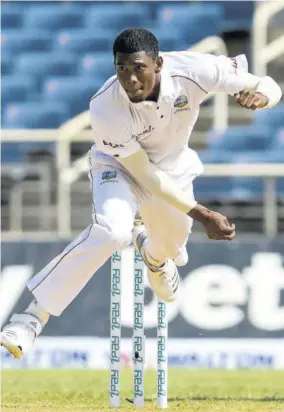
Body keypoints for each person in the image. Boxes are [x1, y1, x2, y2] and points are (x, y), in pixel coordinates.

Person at [1, 28, 281, 360]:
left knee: (169, 248)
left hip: (173, 168)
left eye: (138, 68)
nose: (130, 79)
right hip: (119, 167)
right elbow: (143, 174)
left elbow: (268, 84)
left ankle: (153, 255)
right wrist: (202, 213)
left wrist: (263, 97)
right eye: (122, 69)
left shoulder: (195, 70)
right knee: (113, 230)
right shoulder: (106, 106)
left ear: (158, 64)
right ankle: (31, 318)